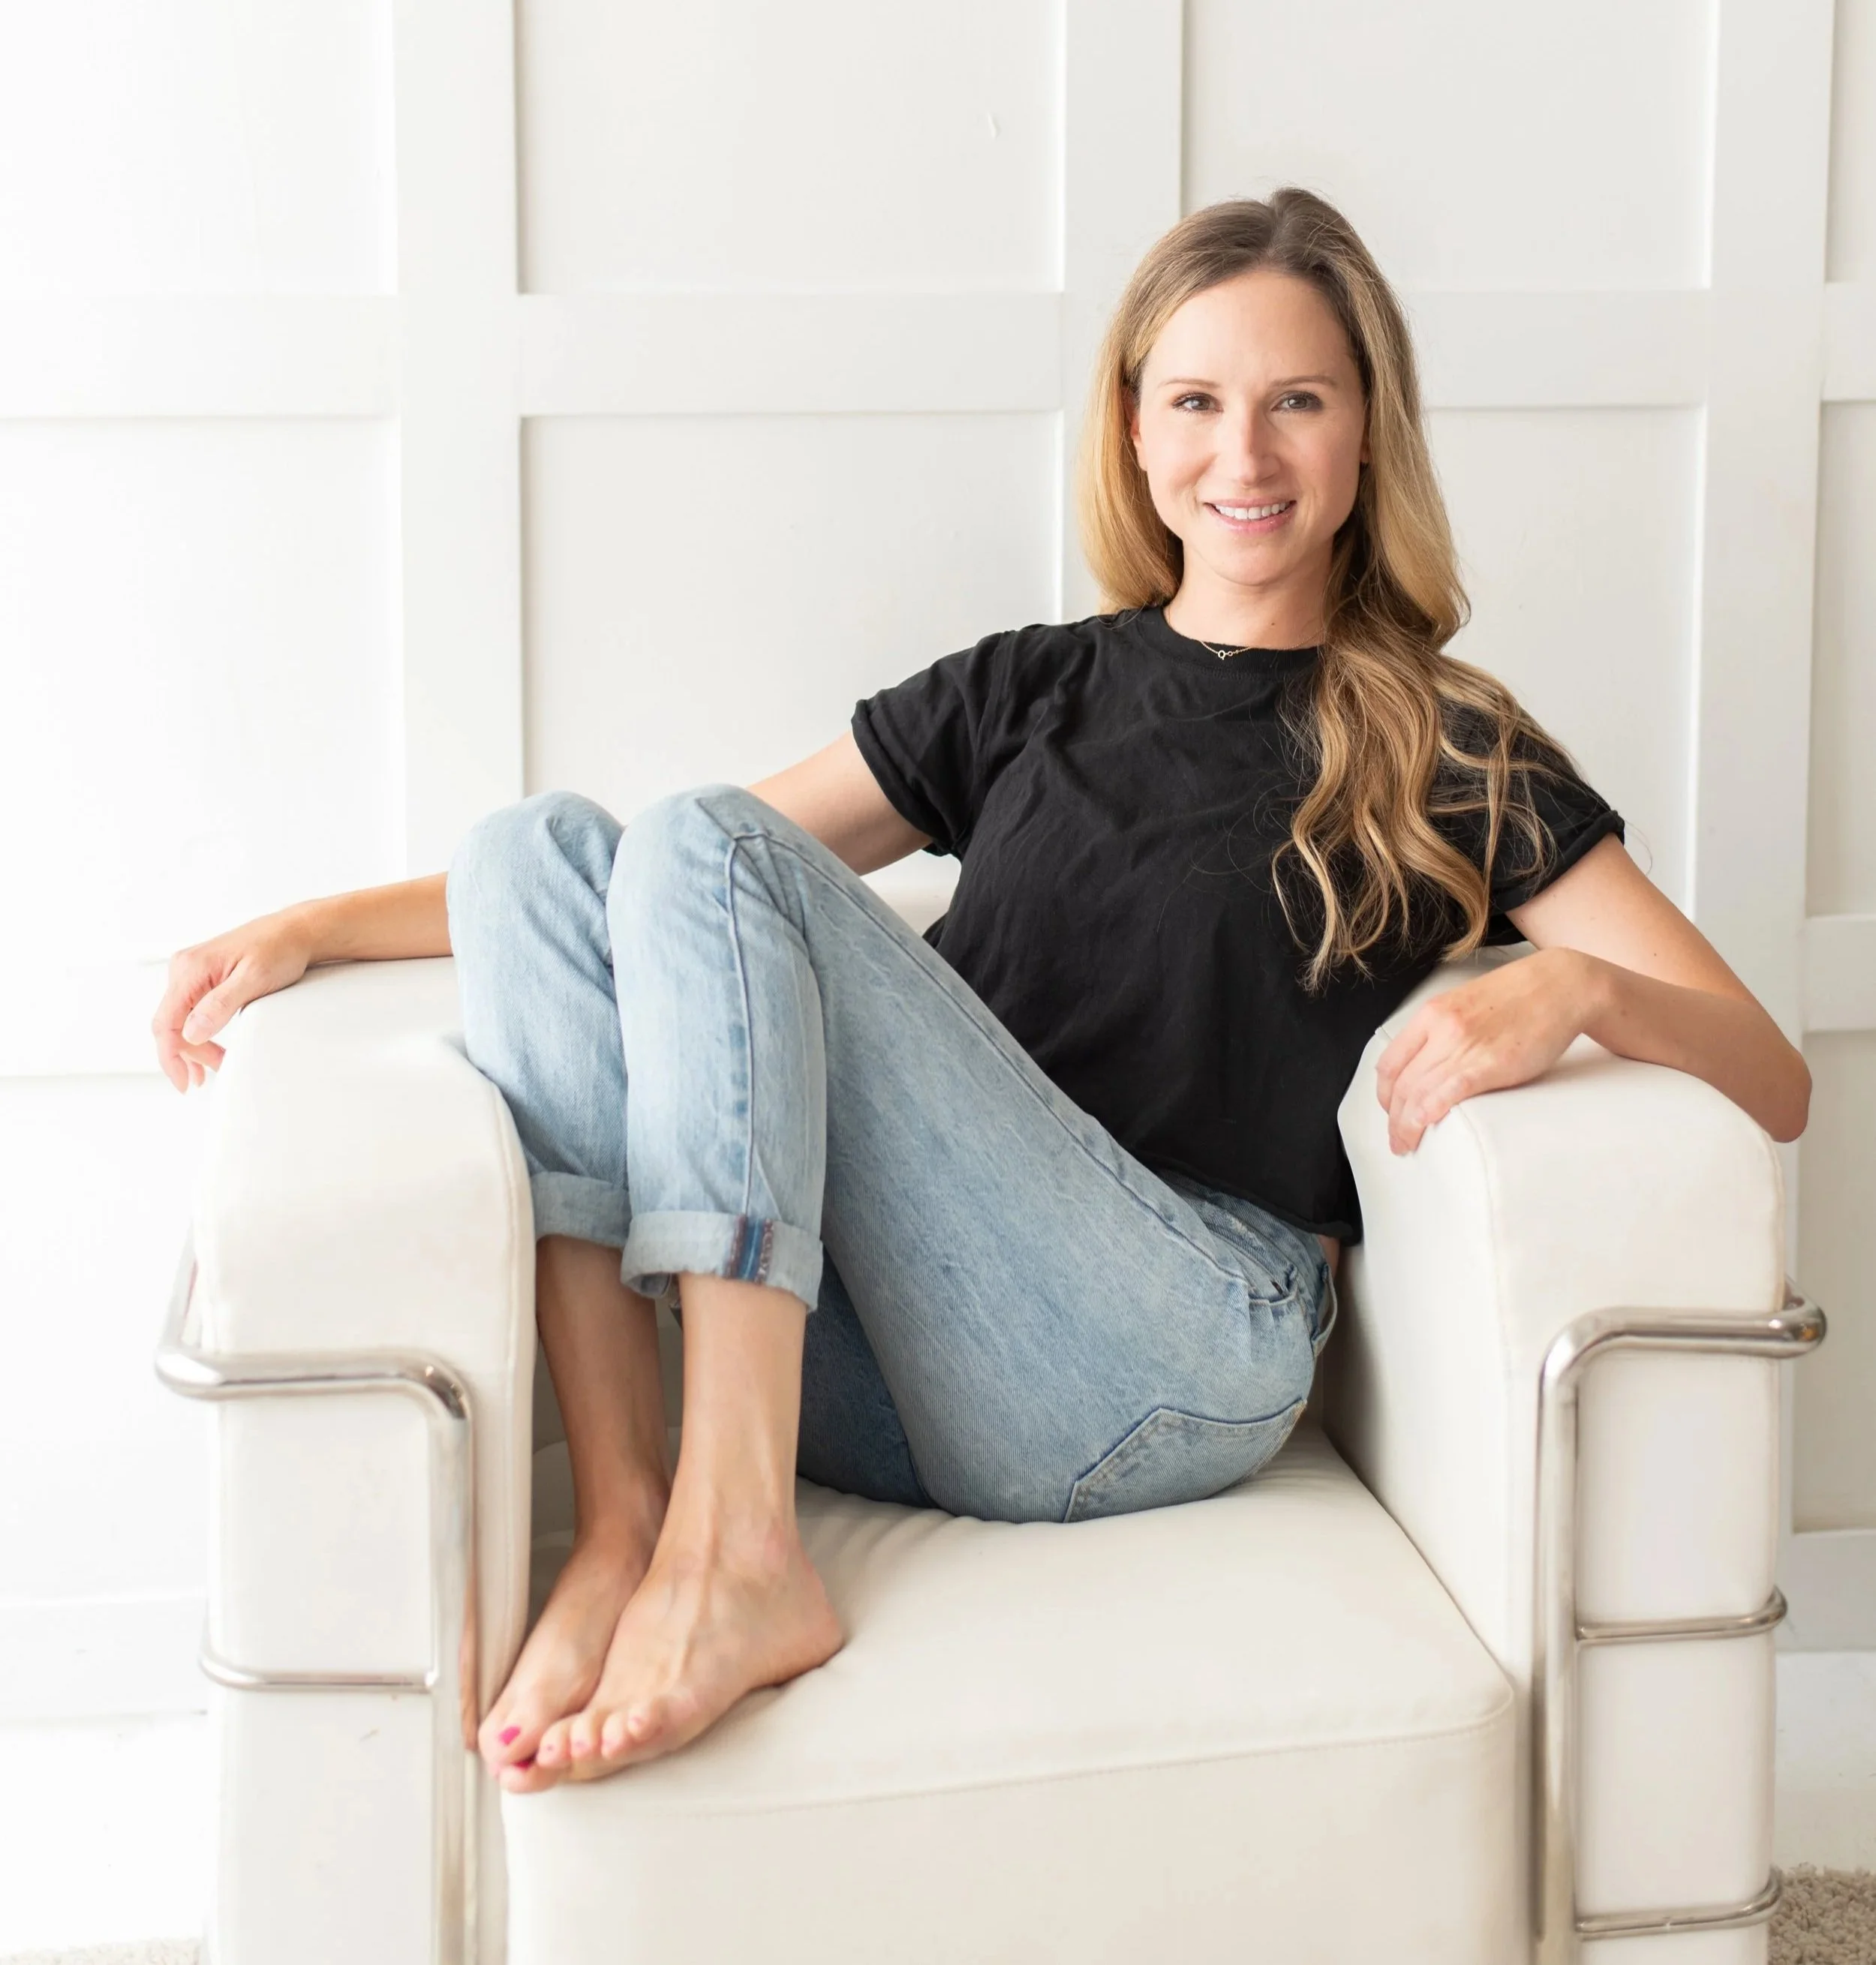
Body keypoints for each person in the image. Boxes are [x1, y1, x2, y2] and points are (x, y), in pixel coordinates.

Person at [150, 189, 1810, 1799]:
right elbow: (654, 895)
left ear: (1364, 434)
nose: (1244, 455)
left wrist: (1578, 986)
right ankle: (634, 1518)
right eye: (1198, 402)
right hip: (897, 1367)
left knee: (697, 842)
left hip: (1167, 1343)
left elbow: (1768, 1075)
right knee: (536, 850)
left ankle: (738, 1556)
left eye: (1296, 401)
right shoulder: (1033, 688)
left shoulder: (1443, 741)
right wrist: (314, 924)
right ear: (1137, 434)